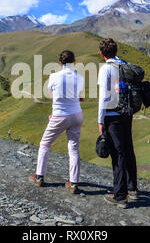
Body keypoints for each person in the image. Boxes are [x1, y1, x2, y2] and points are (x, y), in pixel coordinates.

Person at [30, 50, 84, 194]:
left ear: (60, 62)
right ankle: (73, 183)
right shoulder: (79, 77)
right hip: (77, 115)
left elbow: (54, 97)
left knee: (45, 144)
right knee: (73, 149)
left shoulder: (54, 76)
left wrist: (55, 115)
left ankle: (39, 176)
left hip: (60, 115)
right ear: (74, 62)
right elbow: (79, 97)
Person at [97, 38, 140, 208]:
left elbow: (103, 96)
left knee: (117, 153)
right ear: (116, 50)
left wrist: (100, 120)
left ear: (102, 54)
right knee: (128, 149)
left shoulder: (106, 69)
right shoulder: (124, 64)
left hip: (112, 115)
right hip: (126, 114)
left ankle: (120, 196)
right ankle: (132, 189)